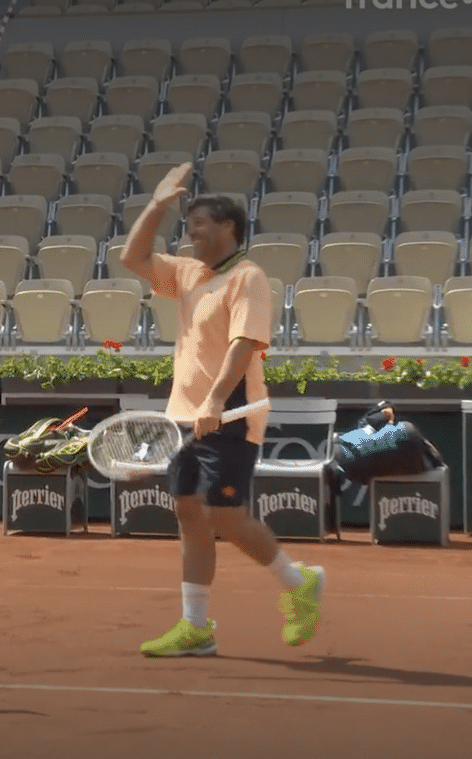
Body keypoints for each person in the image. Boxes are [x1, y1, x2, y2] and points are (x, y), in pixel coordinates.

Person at [120, 162, 325, 658]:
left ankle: (298, 583)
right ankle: (196, 627)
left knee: (224, 513)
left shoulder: (249, 277)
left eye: (199, 226)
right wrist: (158, 205)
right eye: (187, 228)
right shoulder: (188, 274)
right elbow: (133, 256)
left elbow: (243, 344)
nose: (191, 236)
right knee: (189, 513)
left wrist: (214, 400)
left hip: (230, 412)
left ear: (229, 227)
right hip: (183, 415)